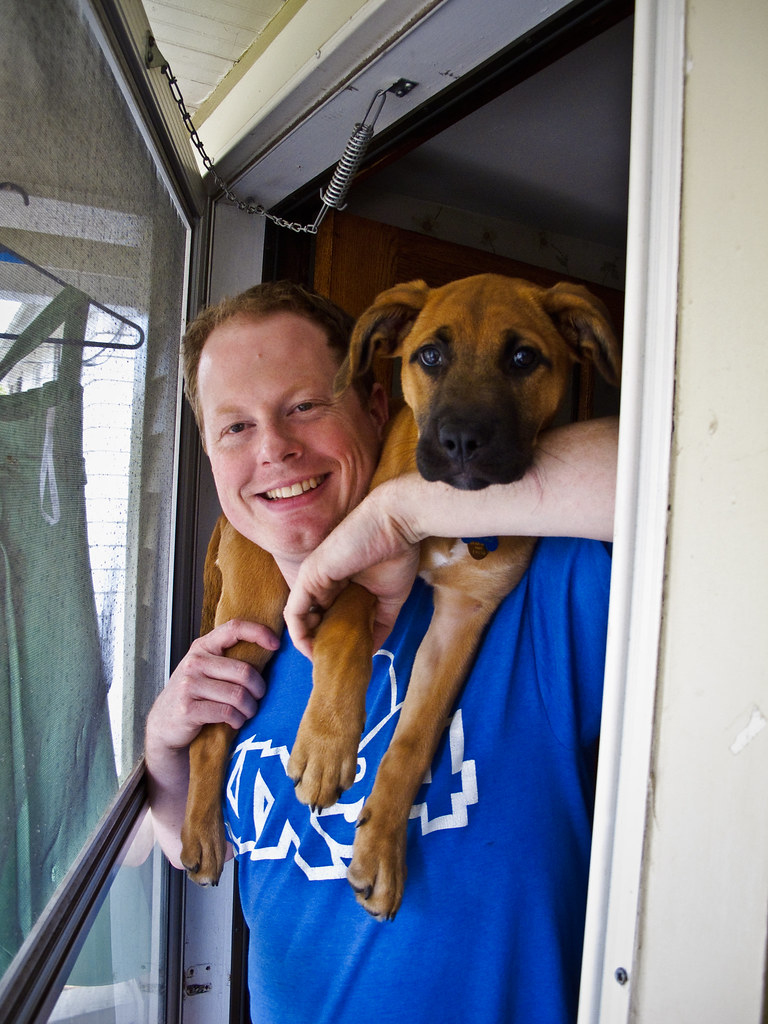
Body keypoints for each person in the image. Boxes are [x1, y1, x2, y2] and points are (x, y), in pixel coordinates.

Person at [145, 280, 617, 1024]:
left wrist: (402, 511)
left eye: (305, 405)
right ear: (207, 455)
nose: (274, 449)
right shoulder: (240, 653)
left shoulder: (534, 587)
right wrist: (168, 758)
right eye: (234, 427)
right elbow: (196, 851)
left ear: (375, 404)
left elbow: (692, 470)